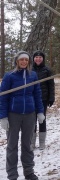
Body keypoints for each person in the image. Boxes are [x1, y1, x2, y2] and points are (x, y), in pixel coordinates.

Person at [0, 51, 45, 180]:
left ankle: (29, 171)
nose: (24, 62)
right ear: (17, 61)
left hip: (30, 114)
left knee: (27, 145)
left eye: (26, 60)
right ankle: (12, 175)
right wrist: (3, 117)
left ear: (29, 61)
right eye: (21, 60)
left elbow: (37, 94)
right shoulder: (10, 76)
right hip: (13, 114)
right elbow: (3, 97)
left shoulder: (33, 75)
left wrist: (40, 111)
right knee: (12, 145)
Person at [31, 50, 55, 150]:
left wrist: (51, 97)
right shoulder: (29, 69)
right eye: (36, 57)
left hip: (43, 98)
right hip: (31, 99)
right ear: (33, 59)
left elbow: (51, 85)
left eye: (40, 57)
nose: (38, 59)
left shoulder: (47, 70)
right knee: (32, 121)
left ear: (43, 59)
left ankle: (42, 142)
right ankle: (32, 143)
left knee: (42, 120)